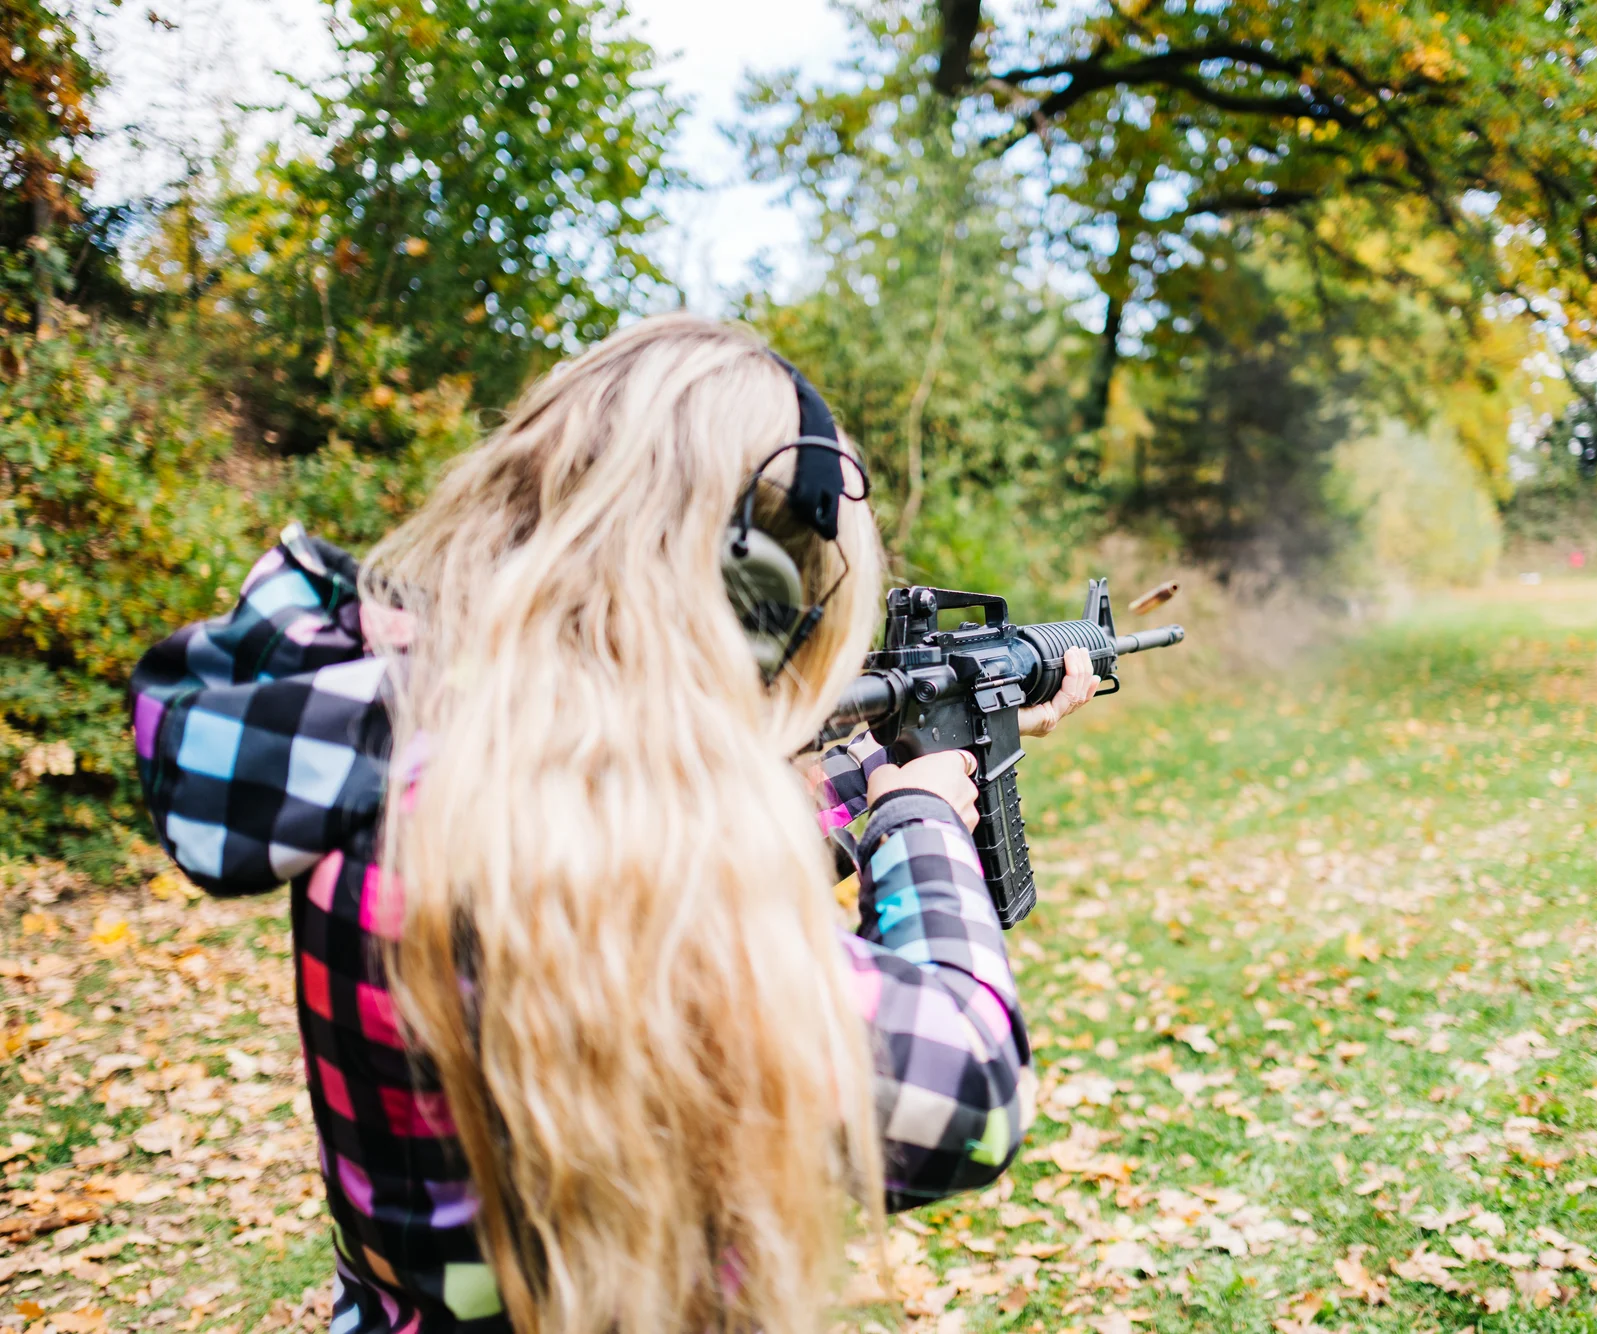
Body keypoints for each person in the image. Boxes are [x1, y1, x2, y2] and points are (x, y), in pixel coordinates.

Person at [129, 317, 1099, 1334]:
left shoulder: (398, 737)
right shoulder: (584, 863)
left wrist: (869, 773)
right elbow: (972, 1086)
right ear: (747, 598)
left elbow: (686, 824)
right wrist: (920, 815)